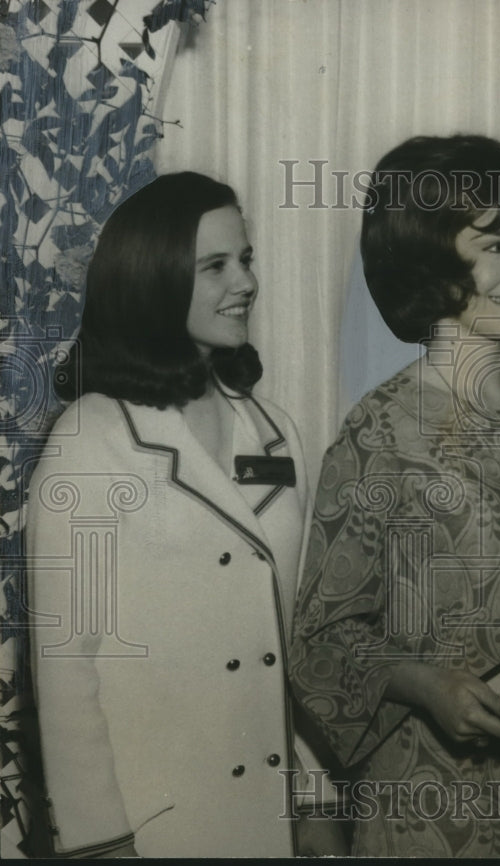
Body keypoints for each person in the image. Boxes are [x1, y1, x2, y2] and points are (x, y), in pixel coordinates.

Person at [289, 134, 500, 858]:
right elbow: (322, 644)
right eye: (495, 246)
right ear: (426, 256)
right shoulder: (377, 433)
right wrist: (424, 683)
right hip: (428, 810)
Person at [27, 172, 342, 857]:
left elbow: (290, 647)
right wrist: (101, 843)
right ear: (154, 279)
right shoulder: (91, 438)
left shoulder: (276, 431)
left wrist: (315, 795)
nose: (247, 282)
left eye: (246, 259)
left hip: (272, 817)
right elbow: (66, 666)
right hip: (155, 824)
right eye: (216, 265)